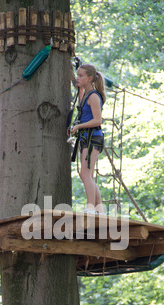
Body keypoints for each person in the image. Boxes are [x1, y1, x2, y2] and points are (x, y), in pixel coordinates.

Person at [71, 64, 106, 215]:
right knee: (85, 174)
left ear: (90, 78)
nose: (78, 78)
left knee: (86, 173)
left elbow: (98, 120)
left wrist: (78, 127)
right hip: (87, 139)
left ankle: (91, 207)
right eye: (77, 75)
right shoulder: (85, 95)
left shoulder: (93, 96)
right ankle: (99, 208)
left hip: (93, 138)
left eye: (81, 76)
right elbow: (80, 104)